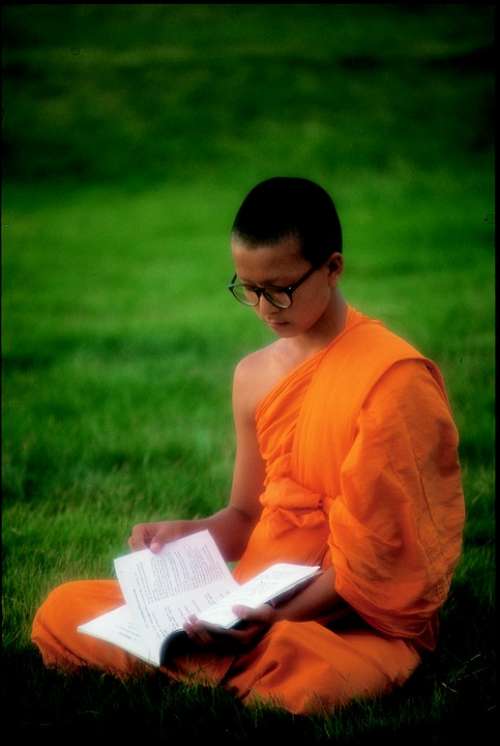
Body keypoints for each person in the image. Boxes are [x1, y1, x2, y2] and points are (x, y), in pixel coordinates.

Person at [32, 176, 465, 715]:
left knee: (304, 670)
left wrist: (280, 619)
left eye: (279, 288)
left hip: (344, 616)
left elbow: (386, 557)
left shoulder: (393, 379)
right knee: (63, 608)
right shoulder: (254, 376)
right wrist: (185, 536)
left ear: (333, 268)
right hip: (247, 596)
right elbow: (244, 515)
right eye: (248, 289)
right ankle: (217, 652)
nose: (264, 307)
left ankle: (206, 658)